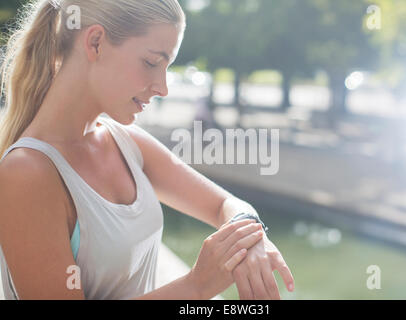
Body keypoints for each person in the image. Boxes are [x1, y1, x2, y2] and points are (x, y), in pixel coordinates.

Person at [0, 0, 294, 300]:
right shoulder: (26, 173)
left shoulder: (127, 142)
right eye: (152, 62)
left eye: (167, 67)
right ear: (96, 42)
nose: (163, 87)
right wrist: (197, 285)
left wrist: (248, 231)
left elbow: (225, 205)